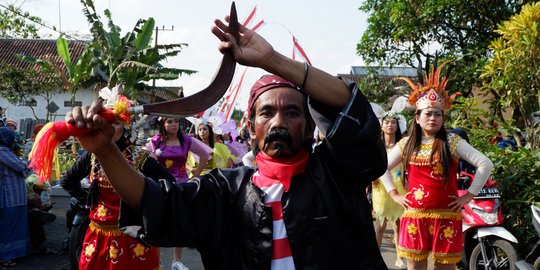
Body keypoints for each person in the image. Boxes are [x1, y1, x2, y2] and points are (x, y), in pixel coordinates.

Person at [65, 14, 388, 270]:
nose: (278, 122)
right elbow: (153, 199)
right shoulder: (225, 190)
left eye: (292, 112)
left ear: (307, 126)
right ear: (251, 125)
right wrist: (105, 150)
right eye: (267, 113)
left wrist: (271, 59)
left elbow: (349, 108)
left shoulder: (336, 175)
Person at [381, 62, 494, 270]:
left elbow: (485, 163)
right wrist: (395, 195)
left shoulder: (452, 142)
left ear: (443, 118)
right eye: (428, 113)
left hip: (447, 217)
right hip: (415, 216)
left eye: (437, 114)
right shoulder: (406, 144)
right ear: (417, 117)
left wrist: (469, 195)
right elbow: (382, 167)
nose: (433, 118)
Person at [60, 116, 175, 270]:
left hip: (132, 237)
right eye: (106, 122)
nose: (110, 127)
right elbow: (67, 180)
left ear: (126, 128)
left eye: (116, 123)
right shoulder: (93, 154)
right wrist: (89, 200)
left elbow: (168, 183)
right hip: (99, 235)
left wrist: (147, 206)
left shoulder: (139, 157)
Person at [144, 117, 212, 270]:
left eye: (176, 121)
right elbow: (143, 158)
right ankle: (157, 261)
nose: (174, 124)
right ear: (163, 124)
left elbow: (205, 155)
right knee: (157, 222)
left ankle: (176, 261)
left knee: (178, 222)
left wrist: (197, 174)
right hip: (159, 186)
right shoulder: (156, 141)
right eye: (169, 122)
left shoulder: (186, 140)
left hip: (180, 186)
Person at [372, 112, 407, 268]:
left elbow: (407, 166)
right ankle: (376, 255)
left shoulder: (402, 145)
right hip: (380, 188)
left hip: (400, 187)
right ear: (381, 125)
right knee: (380, 225)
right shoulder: (376, 146)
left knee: (399, 224)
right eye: (387, 122)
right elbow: (370, 165)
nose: (390, 125)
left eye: (393, 122)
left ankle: (399, 256)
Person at [0, 127, 31, 268]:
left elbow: (25, 169)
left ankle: (15, 253)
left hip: (16, 196)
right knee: (9, 226)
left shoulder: (6, 151)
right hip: (9, 195)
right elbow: (20, 166)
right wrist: (26, 161)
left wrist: (25, 164)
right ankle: (5, 257)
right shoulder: (1, 151)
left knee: (17, 225)